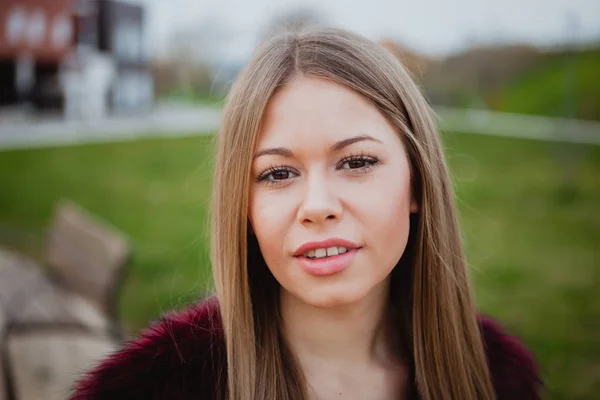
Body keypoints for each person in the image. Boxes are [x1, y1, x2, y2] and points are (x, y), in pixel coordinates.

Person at [70, 27, 541, 400]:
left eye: (356, 162)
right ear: (243, 205)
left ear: (417, 182)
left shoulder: (497, 377)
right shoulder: (150, 389)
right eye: (277, 174)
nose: (317, 207)